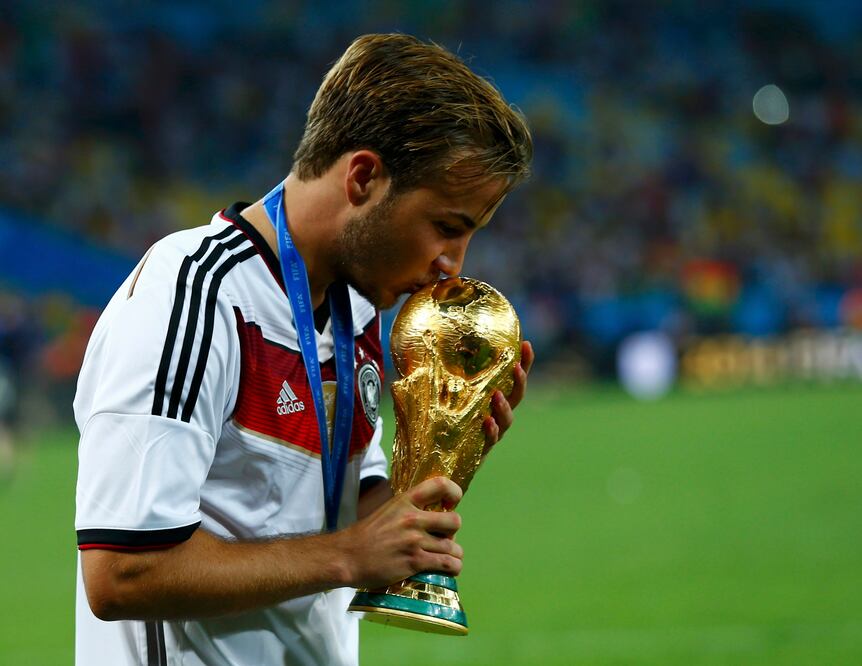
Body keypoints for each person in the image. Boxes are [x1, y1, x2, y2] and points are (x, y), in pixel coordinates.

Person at [74, 33, 534, 666]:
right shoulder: (195, 297)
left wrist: (444, 456)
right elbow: (123, 572)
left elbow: (344, 508)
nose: (452, 264)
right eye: (446, 227)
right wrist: (348, 556)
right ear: (363, 178)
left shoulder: (359, 309)